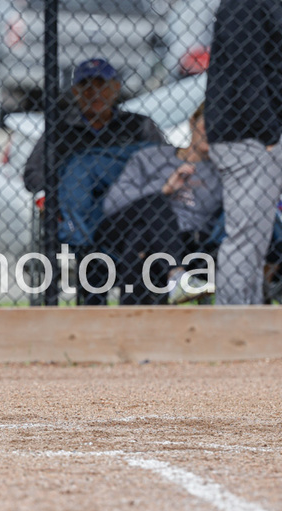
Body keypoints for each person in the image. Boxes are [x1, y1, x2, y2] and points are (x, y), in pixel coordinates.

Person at [23, 57, 165, 304]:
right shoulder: (60, 129)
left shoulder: (138, 126)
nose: (94, 92)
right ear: (75, 91)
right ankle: (92, 311)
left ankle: (137, 314)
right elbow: (33, 174)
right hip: (81, 219)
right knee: (91, 245)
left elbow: (163, 166)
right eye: (86, 85)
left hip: (130, 215)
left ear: (116, 87)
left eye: (102, 84)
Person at [100, 102, 222, 305]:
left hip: (182, 240)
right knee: (154, 203)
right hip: (120, 226)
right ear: (192, 123)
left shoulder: (222, 173)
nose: (213, 131)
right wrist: (164, 189)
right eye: (208, 124)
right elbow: (112, 203)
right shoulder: (150, 157)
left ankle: (131, 319)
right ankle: (176, 276)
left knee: (139, 237)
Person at [204, 0, 282, 305]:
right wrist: (268, 132)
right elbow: (244, 71)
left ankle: (245, 320)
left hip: (257, 135)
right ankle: (232, 325)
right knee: (246, 239)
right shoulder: (243, 4)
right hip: (247, 137)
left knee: (255, 239)